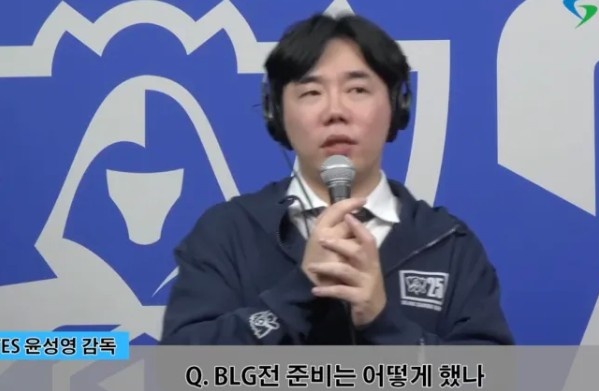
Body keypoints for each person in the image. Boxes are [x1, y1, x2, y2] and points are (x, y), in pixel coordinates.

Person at [160, 12, 514, 345]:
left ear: (397, 106)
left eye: (357, 90)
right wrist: (300, 290)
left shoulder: (447, 244)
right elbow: (183, 371)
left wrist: (382, 323)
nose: (335, 111)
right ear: (276, 113)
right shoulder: (229, 233)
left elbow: (488, 380)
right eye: (311, 93)